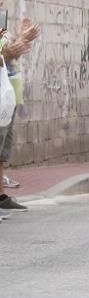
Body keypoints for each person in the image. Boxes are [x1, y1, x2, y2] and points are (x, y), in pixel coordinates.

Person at [0, 17, 41, 216]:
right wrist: (8, 52)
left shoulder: (2, 28)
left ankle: (1, 197)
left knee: (3, 151)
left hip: (8, 96)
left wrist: (20, 39)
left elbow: (10, 55)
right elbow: (5, 54)